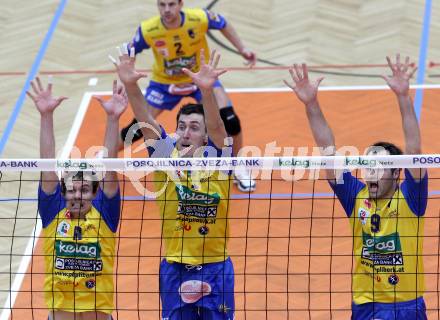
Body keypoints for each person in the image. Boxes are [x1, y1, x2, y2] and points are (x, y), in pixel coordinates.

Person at [284, 54, 428, 319]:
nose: (370, 173)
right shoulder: (355, 196)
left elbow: (414, 149)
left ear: (397, 171)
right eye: (367, 167)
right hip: (366, 305)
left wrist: (402, 97)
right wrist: (311, 103)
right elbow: (328, 151)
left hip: (406, 306)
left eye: (379, 167)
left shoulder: (411, 197)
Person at [111, 46, 235, 320]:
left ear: (204, 137)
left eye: (194, 127)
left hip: (216, 266)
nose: (186, 132)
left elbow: (218, 128)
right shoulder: (166, 155)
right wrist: (132, 85)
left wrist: (206, 90)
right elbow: (145, 121)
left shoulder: (219, 159)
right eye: (181, 126)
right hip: (175, 266)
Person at [120, 0, 256, 192]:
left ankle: (237, 164)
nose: (167, 9)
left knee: (230, 120)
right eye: (162, 5)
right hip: (165, 84)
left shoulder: (198, 18)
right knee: (138, 126)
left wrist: (242, 49)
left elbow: (223, 23)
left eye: (171, 4)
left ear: (180, 4)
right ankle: (104, 157)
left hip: (200, 79)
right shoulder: (148, 29)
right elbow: (129, 50)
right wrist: (127, 67)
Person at [28, 77, 127, 320]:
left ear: (95, 193)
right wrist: (46, 117)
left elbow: (109, 164)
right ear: (62, 193)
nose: (77, 194)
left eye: (84, 189)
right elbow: (48, 164)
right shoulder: (53, 211)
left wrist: (113, 119)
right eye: (71, 189)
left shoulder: (105, 213)